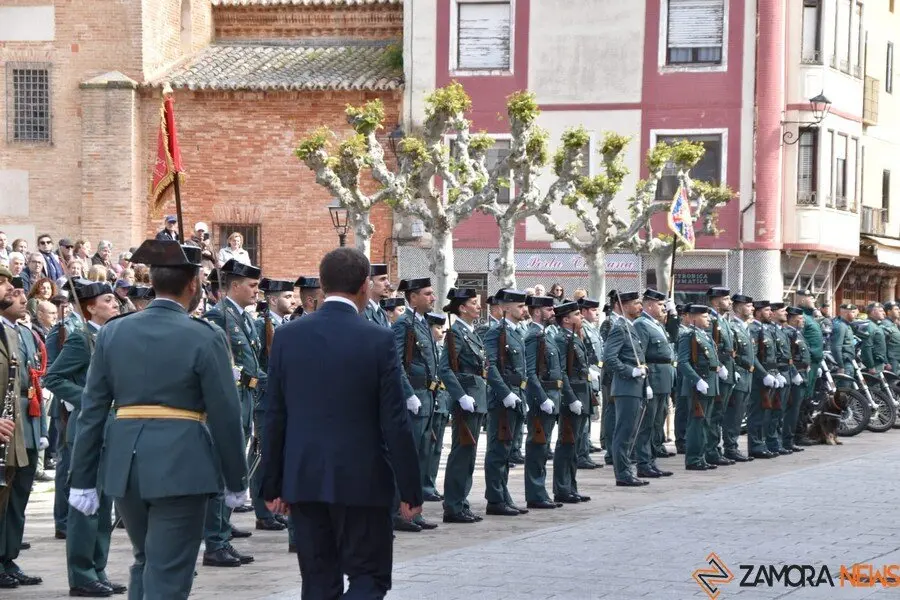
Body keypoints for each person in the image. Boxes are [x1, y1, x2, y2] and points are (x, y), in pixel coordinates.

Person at [66, 239, 248, 600]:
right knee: (168, 570)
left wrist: (82, 479)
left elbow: (92, 411)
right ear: (193, 285)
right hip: (182, 465)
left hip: (126, 464)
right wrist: (236, 478)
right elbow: (227, 415)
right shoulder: (205, 335)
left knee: (146, 561)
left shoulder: (115, 331)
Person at [261, 247, 422, 600]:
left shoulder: (289, 336)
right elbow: (395, 421)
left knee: (318, 582)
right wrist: (411, 488)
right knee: (368, 577)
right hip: (362, 479)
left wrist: (271, 483)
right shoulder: (378, 339)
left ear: (322, 284)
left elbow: (273, 414)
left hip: (304, 477)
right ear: (365, 286)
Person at [43, 281, 126, 597]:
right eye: (108, 300)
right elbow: (53, 377)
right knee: (85, 504)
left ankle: (98, 569)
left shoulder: (113, 337)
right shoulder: (81, 338)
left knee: (104, 507)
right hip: (88, 430)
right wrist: (91, 398)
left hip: (112, 428)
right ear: (90, 306)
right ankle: (81, 574)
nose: (115, 303)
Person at [202, 258, 263, 566]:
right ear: (235, 286)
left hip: (246, 398)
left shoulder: (244, 317)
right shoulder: (218, 315)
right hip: (229, 402)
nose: (257, 291)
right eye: (252, 286)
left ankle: (222, 535)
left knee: (234, 469)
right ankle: (214, 542)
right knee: (220, 472)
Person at [0, 276, 47, 588]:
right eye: (6, 287)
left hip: (26, 425)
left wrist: (39, 427)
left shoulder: (26, 333)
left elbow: (35, 380)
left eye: (17, 288)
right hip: (5, 429)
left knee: (18, 498)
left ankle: (8, 557)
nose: (17, 291)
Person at [391, 278, 440, 532]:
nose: (433, 298)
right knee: (407, 458)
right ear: (412, 298)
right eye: (427, 294)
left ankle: (414, 510)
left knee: (422, 456)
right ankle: (400, 513)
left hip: (427, 396)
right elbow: (396, 362)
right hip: (414, 397)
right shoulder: (404, 325)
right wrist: (408, 393)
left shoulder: (421, 323)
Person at [438, 288, 487, 523]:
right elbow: (445, 369)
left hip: (477, 398)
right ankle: (453, 506)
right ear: (461, 308)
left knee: (469, 453)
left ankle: (461, 502)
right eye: (473, 303)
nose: (478, 306)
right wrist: (460, 396)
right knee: (461, 452)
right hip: (466, 399)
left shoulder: (472, 333)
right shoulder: (455, 334)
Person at [482, 289, 530, 516]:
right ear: (506, 308)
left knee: (507, 450)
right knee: (498, 450)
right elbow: (489, 366)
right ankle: (495, 499)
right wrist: (504, 393)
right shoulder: (496, 332)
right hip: (502, 400)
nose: (524, 310)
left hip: (516, 396)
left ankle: (503, 495)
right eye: (520, 307)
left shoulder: (517, 332)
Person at [521, 295, 566, 509]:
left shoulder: (544, 335)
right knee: (537, 447)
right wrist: (542, 398)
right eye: (549, 309)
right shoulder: (533, 336)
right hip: (542, 400)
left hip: (551, 397)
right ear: (537, 311)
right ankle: (535, 493)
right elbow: (530, 373)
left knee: (544, 446)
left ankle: (541, 491)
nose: (553, 313)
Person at [603, 291, 648, 486]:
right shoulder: (619, 328)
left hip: (635, 387)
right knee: (623, 432)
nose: (640, 307)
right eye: (636, 303)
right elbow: (610, 358)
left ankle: (627, 470)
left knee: (631, 432)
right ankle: (622, 474)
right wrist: (630, 372)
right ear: (624, 306)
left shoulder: (631, 327)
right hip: (625, 387)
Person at [632, 289, 675, 479]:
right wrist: (645, 382)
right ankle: (643, 462)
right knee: (647, 424)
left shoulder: (656, 324)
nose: (663, 307)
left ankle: (651, 461)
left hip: (664, 378)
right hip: (653, 377)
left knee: (657, 423)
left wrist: (674, 316)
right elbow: (640, 355)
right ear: (649, 305)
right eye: (659, 304)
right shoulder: (642, 324)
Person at [553, 301, 593, 502]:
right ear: (566, 320)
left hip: (582, 395)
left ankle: (571, 486)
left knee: (574, 445)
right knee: (566, 444)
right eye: (577, 314)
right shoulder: (562, 339)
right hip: (573, 398)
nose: (582, 317)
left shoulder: (575, 338)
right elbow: (561, 372)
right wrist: (570, 398)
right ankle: (562, 488)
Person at [704, 287, 737, 467]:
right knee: (714, 414)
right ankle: (711, 450)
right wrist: (720, 367)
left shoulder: (723, 321)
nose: (730, 302)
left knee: (720, 414)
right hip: (718, 373)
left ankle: (715, 449)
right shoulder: (711, 320)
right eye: (726, 299)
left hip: (728, 371)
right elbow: (709, 348)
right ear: (716, 301)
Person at [748, 301, 781, 459]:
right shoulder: (753, 329)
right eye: (767, 310)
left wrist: (776, 373)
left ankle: (763, 443)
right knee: (757, 413)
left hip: (770, 374)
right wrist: (763, 374)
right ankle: (755, 445)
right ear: (758, 312)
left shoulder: (766, 329)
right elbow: (753, 356)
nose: (770, 313)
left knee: (766, 413)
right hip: (759, 378)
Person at [724, 295, 755, 462]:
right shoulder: (733, 327)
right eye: (748, 306)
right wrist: (734, 371)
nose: (751, 309)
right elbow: (732, 354)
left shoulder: (745, 328)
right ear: (737, 308)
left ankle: (732, 445)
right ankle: (730, 447)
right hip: (739, 376)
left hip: (747, 377)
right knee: (733, 415)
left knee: (739, 414)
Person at [423, 312, 450, 502]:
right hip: (432, 401)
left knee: (437, 448)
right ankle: (424, 486)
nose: (441, 332)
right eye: (437, 328)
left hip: (442, 402)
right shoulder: (427, 350)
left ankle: (430, 483)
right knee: (427, 447)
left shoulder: (440, 349)